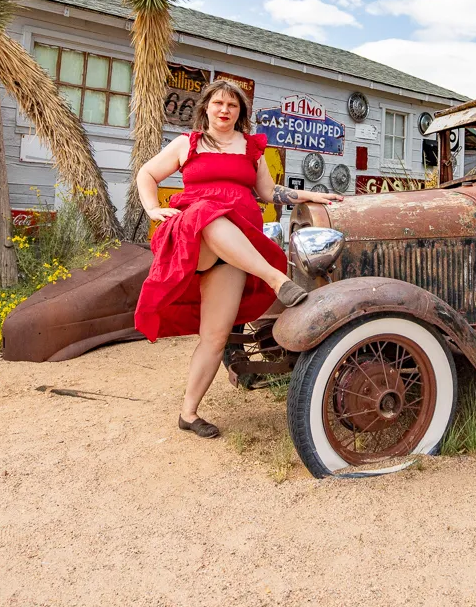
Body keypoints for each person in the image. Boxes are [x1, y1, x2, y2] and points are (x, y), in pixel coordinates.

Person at [133, 79, 343, 438]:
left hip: (236, 248)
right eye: (218, 104)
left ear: (240, 113)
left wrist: (314, 195)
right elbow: (147, 173)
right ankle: (278, 280)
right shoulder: (189, 143)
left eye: (232, 105)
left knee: (215, 337)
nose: (225, 110)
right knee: (210, 213)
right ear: (207, 108)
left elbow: (268, 193)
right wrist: (153, 208)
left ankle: (189, 413)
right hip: (192, 237)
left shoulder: (251, 149)